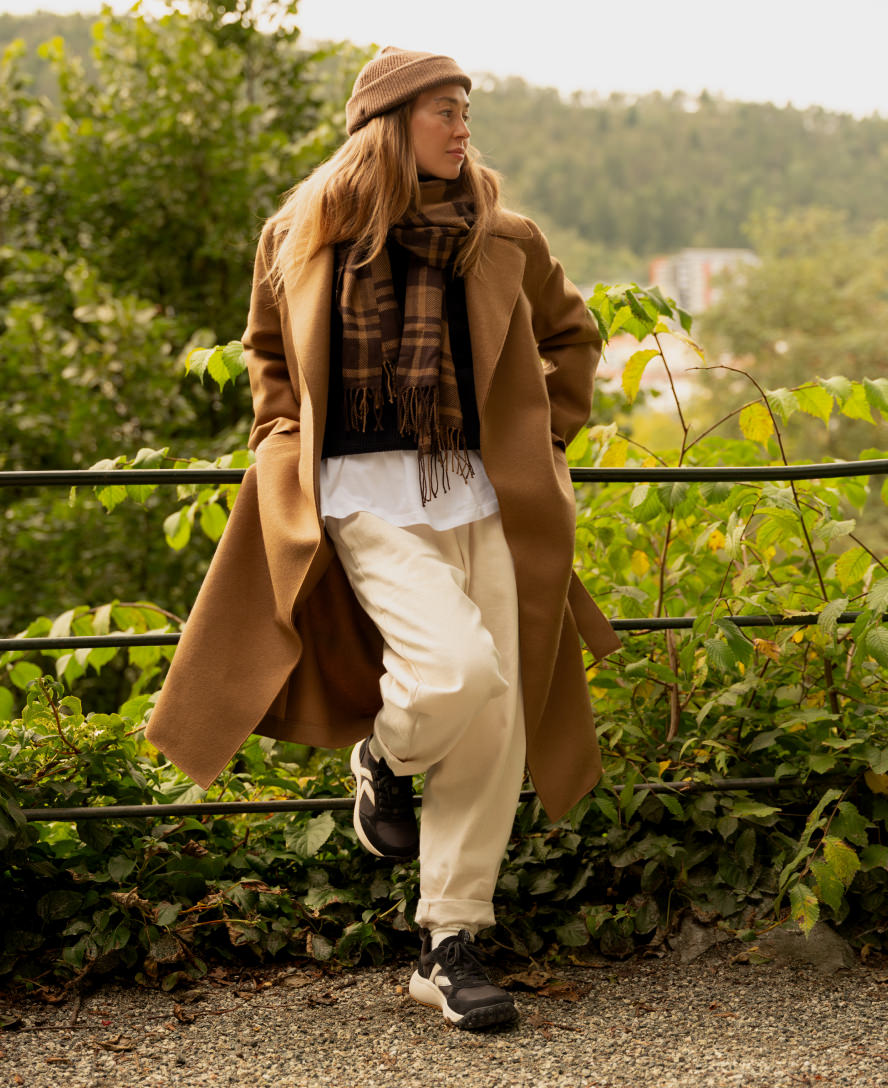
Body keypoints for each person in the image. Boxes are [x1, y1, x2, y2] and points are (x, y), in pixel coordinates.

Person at [146, 46, 621, 1032]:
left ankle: (450, 942)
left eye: (466, 110)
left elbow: (572, 338)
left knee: (497, 717)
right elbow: (269, 358)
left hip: (485, 498)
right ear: (389, 123)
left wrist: (547, 441)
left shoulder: (503, 236)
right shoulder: (300, 235)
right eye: (445, 110)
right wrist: (281, 441)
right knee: (456, 673)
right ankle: (388, 759)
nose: (463, 128)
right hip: (364, 499)